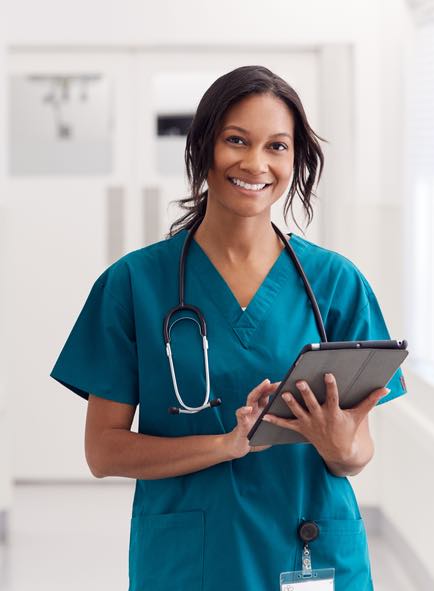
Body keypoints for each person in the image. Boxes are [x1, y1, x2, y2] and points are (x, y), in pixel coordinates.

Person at [50, 65, 407, 591]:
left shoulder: (334, 283)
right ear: (202, 148)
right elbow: (103, 452)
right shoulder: (133, 284)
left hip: (309, 552)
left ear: (295, 159)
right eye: (236, 140)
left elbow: (357, 453)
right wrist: (227, 444)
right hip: (191, 561)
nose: (255, 163)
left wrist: (337, 444)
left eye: (277, 146)